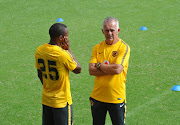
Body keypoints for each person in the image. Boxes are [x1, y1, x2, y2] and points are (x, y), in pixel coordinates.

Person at [35, 23, 81, 125]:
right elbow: (78, 69)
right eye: (66, 36)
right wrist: (68, 49)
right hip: (62, 102)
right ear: (61, 38)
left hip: (46, 100)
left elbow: (39, 74)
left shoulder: (39, 51)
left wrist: (49, 87)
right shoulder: (62, 55)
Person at [89, 17, 130, 125]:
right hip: (97, 97)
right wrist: (109, 69)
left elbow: (117, 69)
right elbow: (91, 70)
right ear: (102, 31)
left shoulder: (123, 47)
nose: (109, 33)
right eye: (106, 30)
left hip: (116, 97)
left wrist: (99, 65)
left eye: (112, 30)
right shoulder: (97, 48)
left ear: (118, 30)